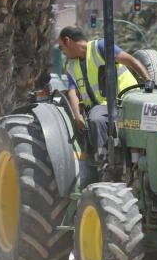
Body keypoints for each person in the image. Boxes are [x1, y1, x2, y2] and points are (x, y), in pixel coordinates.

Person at [57, 26, 151, 166]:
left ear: (67, 41)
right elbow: (73, 92)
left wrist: (148, 81)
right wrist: (77, 116)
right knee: (95, 118)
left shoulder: (99, 47)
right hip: (102, 106)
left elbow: (130, 60)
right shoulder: (71, 65)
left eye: (61, 48)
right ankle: (105, 165)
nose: (62, 52)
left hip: (126, 99)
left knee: (96, 118)